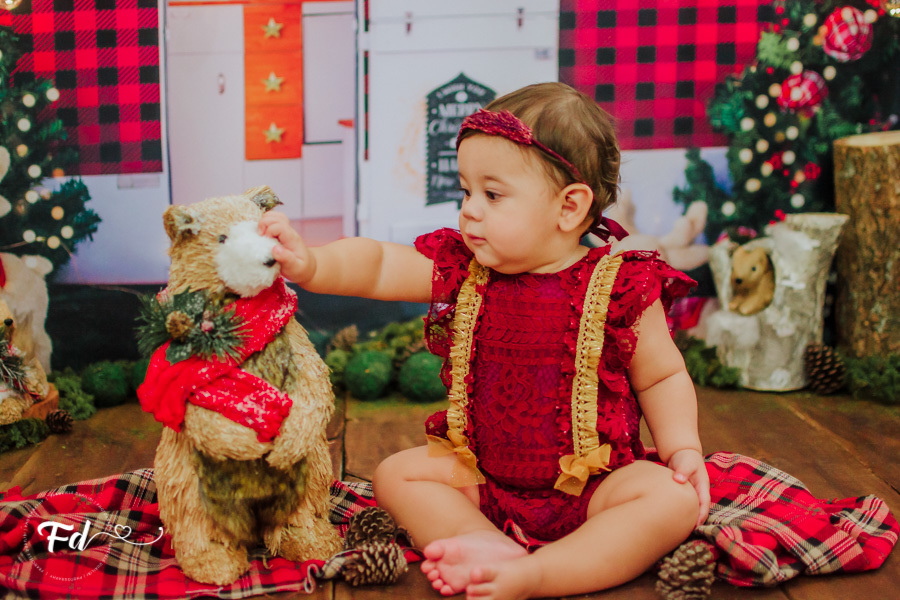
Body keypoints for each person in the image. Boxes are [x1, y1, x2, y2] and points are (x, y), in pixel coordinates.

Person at [259, 81, 710, 600]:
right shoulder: (467, 271)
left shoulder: (619, 287)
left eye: (492, 195)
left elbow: (663, 375)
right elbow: (380, 265)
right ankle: (483, 544)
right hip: (485, 482)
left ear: (569, 207)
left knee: (667, 501)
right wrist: (311, 262)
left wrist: (682, 449)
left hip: (595, 487)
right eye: (466, 191)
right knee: (398, 475)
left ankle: (545, 573)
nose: (470, 209)